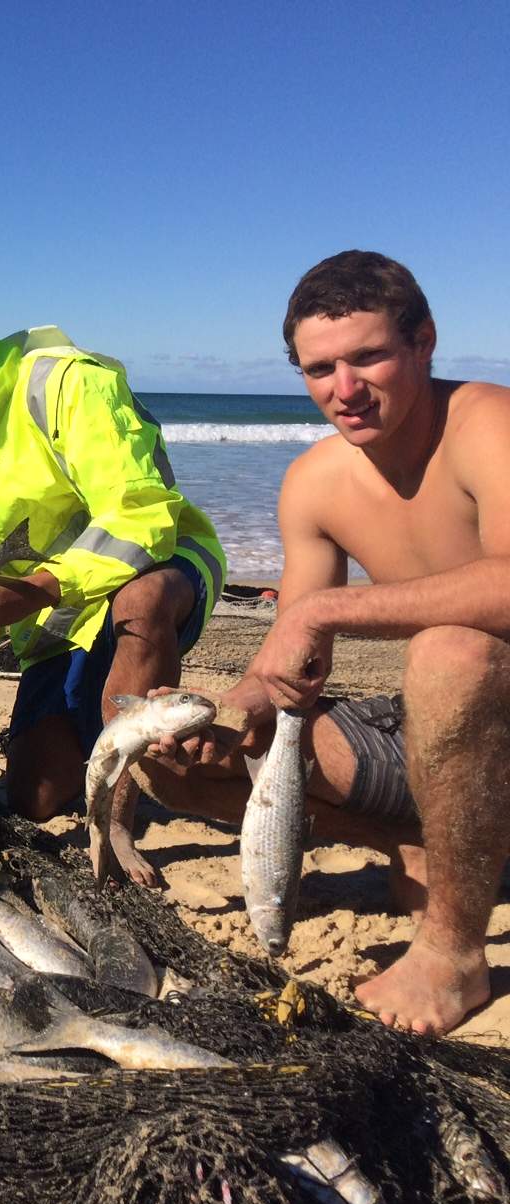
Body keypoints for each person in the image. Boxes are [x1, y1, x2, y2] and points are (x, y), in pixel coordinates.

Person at [138, 250, 510, 1035]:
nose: (345, 389)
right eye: (320, 368)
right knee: (175, 759)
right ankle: (421, 845)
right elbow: (293, 650)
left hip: (487, 717)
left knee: (452, 651)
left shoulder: (487, 424)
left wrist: (329, 610)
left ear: (424, 341)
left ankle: (454, 953)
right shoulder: (314, 480)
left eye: (369, 356)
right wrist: (231, 708)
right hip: (440, 735)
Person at [0, 253, 226, 884]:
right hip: (55, 613)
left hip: (163, 568)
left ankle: (116, 822)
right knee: (34, 799)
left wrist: (35, 587)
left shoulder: (66, 382)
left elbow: (142, 516)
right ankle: (120, 726)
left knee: (140, 602)